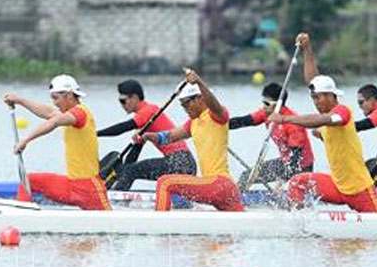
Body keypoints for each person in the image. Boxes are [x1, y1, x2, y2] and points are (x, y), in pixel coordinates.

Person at [266, 33, 377, 213]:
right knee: (298, 182)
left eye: (319, 97)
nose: (315, 101)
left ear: (332, 96)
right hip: (337, 187)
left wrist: (284, 118)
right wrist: (307, 49)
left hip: (359, 189)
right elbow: (313, 80)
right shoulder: (325, 111)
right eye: (313, 98)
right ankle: (299, 225)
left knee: (375, 237)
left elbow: (323, 120)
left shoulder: (342, 112)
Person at [140, 69, 244, 211]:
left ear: (200, 98)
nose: (184, 108)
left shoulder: (217, 115)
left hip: (219, 183)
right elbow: (169, 137)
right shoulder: (193, 122)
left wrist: (199, 82)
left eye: (186, 104)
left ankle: (159, 226)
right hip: (226, 190)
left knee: (165, 182)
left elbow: (214, 104)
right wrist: (149, 136)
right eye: (182, 105)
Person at [4, 74, 111, 211]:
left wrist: (26, 140)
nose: (54, 102)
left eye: (56, 98)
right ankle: (22, 217)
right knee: (29, 181)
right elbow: (49, 112)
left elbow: (54, 121)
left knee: (112, 226)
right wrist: (20, 100)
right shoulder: (68, 114)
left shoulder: (81, 113)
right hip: (71, 186)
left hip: (90, 189)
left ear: (70, 95)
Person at [96, 79, 197, 191]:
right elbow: (132, 157)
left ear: (134, 98)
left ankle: (114, 199)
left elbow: (121, 128)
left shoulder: (149, 110)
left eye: (123, 101)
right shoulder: (144, 124)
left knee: (132, 170)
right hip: (184, 165)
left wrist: (95, 133)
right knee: (130, 169)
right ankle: (116, 195)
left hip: (180, 162)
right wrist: (121, 172)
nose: (122, 105)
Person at [229, 82, 314, 187]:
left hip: (301, 166)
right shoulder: (266, 113)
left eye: (267, 103)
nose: (263, 106)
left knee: (291, 195)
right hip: (284, 162)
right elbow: (244, 121)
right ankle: (236, 201)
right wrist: (221, 125)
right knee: (246, 177)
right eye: (263, 102)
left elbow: (295, 158)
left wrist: (282, 181)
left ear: (278, 105)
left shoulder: (293, 123)